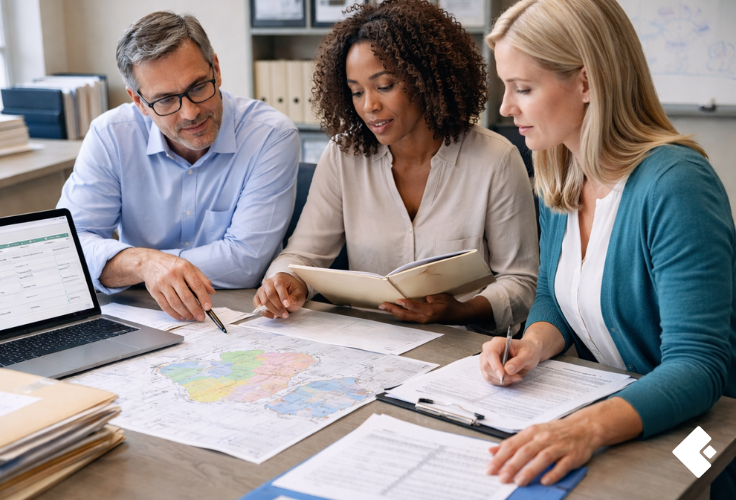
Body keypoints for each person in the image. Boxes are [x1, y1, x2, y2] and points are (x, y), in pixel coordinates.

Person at [478, 0, 736, 496]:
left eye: (523, 88)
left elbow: (700, 366)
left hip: (714, 431)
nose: (507, 108)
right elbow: (557, 297)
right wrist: (533, 345)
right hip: (628, 409)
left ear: (587, 83)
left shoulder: (677, 185)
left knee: (660, 488)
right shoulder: (561, 172)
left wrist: (584, 429)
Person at [253, 0, 539, 333]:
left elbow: (521, 283)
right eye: (356, 92)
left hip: (465, 349)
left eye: (384, 86)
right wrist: (285, 280)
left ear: (427, 78)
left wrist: (459, 310)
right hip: (368, 343)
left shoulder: (496, 160)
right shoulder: (343, 155)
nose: (369, 105)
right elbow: (302, 254)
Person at [57, 12, 299, 323]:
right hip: (140, 311)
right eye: (166, 100)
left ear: (216, 69)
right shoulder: (111, 135)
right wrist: (144, 264)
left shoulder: (271, 136)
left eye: (198, 87)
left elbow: (246, 262)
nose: (190, 113)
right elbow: (68, 247)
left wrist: (146, 264)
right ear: (139, 101)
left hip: (236, 314)